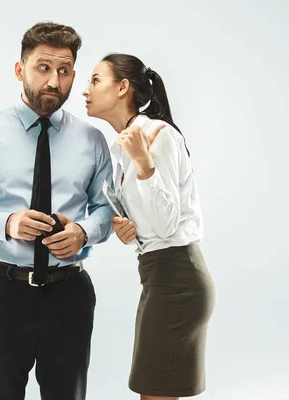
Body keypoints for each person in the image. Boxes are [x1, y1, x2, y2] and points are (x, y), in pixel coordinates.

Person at [0, 22, 114, 400]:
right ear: (20, 70)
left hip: (69, 294)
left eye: (65, 70)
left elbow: (105, 210)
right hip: (0, 294)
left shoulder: (92, 140)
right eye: (44, 67)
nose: (55, 80)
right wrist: (6, 223)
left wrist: (83, 232)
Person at [82, 53, 215, 399]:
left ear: (123, 87)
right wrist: (130, 231)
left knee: (155, 392)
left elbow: (168, 224)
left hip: (177, 279)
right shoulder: (127, 144)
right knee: (152, 390)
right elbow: (154, 225)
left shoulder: (158, 135)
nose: (86, 90)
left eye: (95, 80)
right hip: (158, 276)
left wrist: (144, 166)